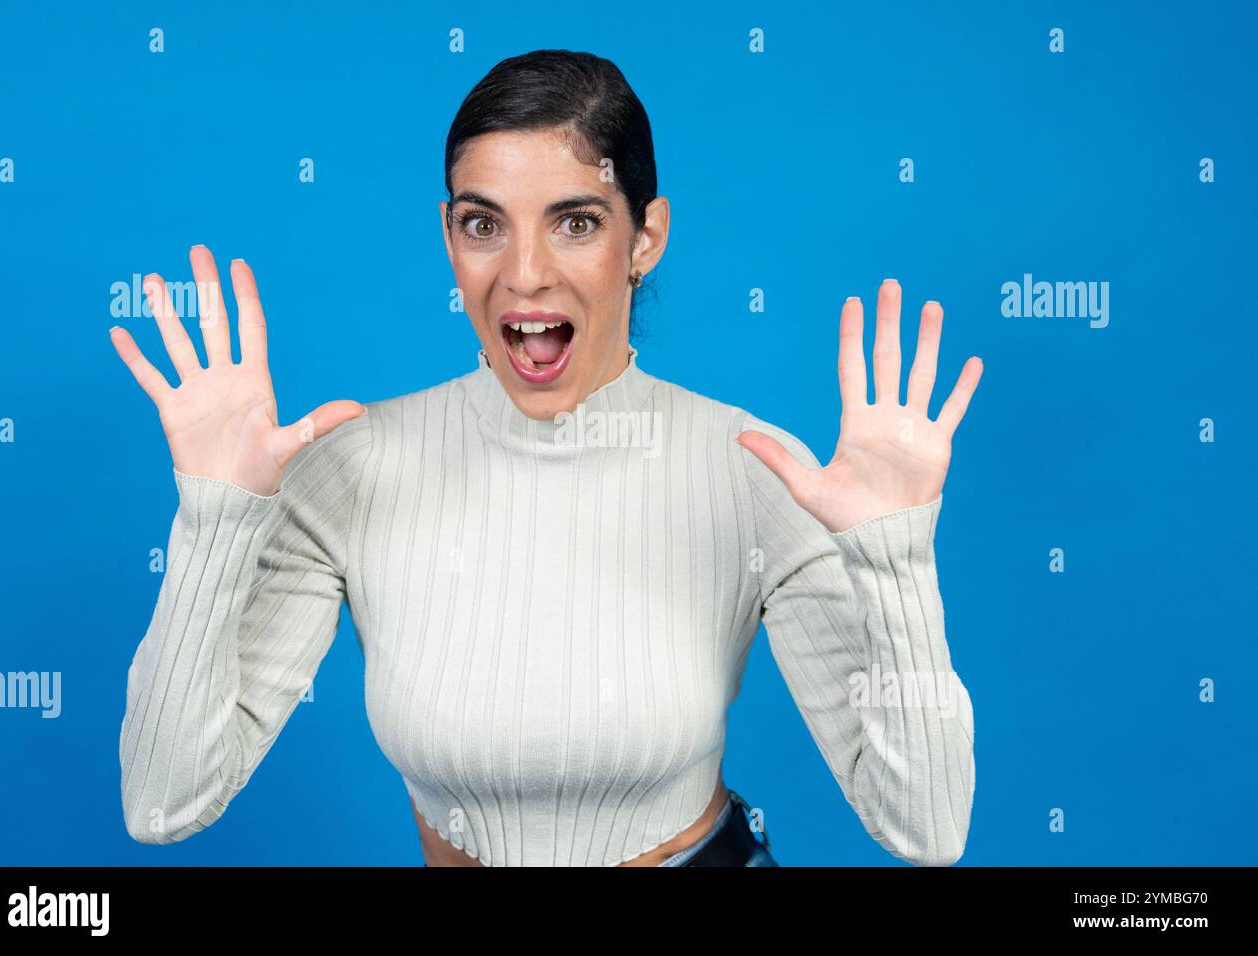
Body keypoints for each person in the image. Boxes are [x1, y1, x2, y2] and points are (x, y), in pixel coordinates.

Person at [111, 49, 981, 867]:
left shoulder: (752, 468)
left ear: (644, 240)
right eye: (484, 223)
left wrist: (895, 557)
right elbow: (162, 804)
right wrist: (215, 515)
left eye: (574, 221)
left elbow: (925, 826)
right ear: (449, 237)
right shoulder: (352, 468)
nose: (524, 274)